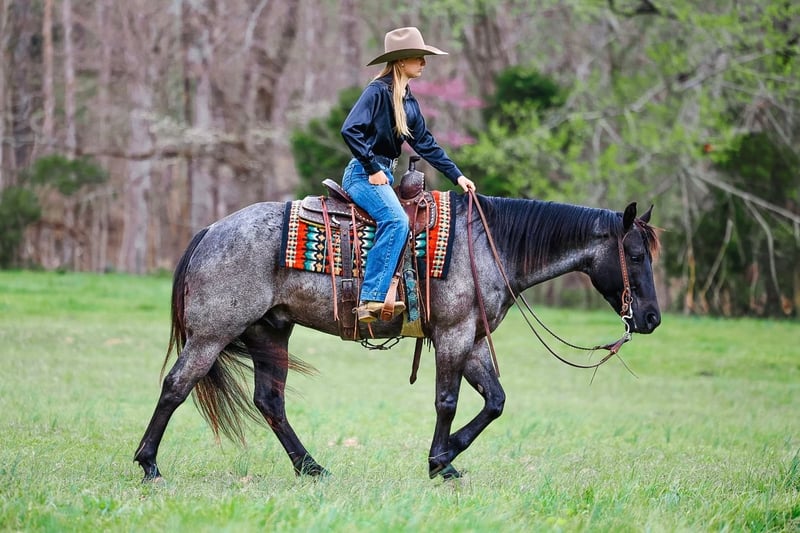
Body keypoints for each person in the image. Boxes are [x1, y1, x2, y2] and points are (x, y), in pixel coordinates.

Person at [341, 26, 476, 324]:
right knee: (396, 220)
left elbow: (425, 143)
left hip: (382, 173)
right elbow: (350, 129)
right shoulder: (377, 92)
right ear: (401, 61)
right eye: (418, 57)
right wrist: (372, 168)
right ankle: (371, 298)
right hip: (362, 175)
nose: (424, 63)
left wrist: (457, 176)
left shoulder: (407, 100)